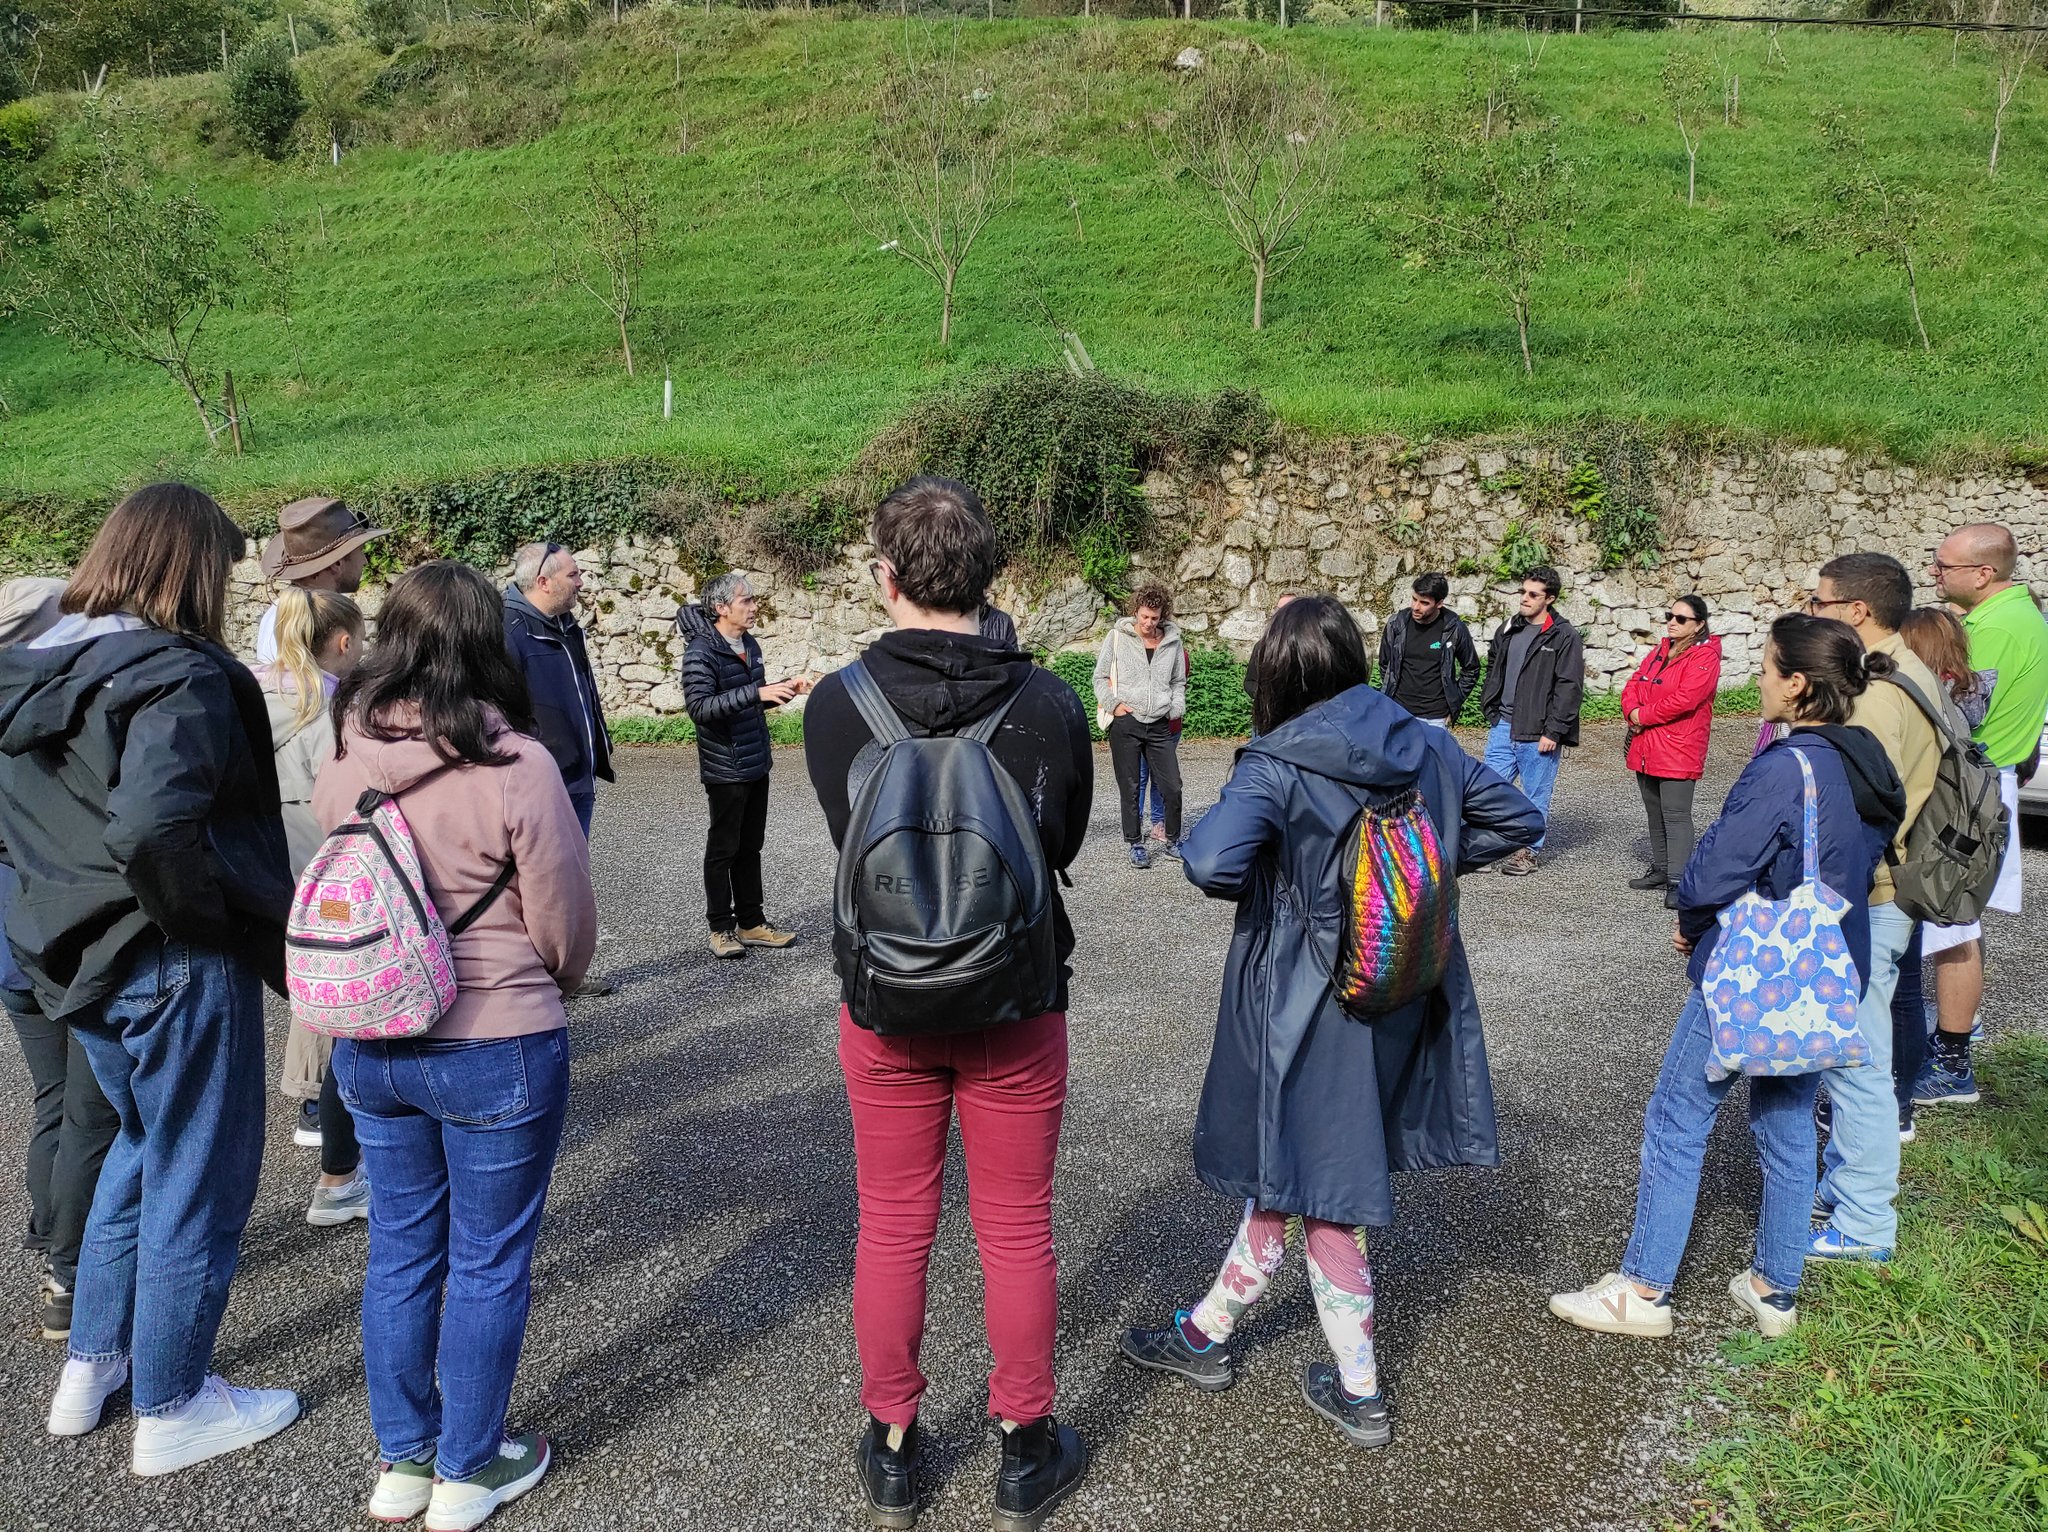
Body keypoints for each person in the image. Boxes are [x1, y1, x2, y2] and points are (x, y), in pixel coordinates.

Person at [1119, 596, 1541, 1449]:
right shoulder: (1424, 740)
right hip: (1403, 983)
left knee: (1325, 1191)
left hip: (1309, 1005)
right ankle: (1206, 1333)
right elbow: (1519, 817)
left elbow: (1208, 861)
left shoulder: (1278, 760)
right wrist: (1408, 879)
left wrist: (1310, 879)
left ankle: (1361, 1391)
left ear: (1277, 672)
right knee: (1300, 1173)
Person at [802, 476, 1093, 1532]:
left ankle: (891, 1442)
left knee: (892, 1220)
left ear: (885, 576)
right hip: (1016, 991)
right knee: (1015, 1225)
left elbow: (849, 840)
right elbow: (1056, 846)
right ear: (991, 576)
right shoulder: (1049, 700)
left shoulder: (838, 701)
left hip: (885, 996)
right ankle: (1023, 1445)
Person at [0, 484, 299, 1473]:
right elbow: (149, 827)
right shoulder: (179, 674)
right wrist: (206, 925)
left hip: (75, 964)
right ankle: (173, 1404)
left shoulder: (26, 667)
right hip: (169, 956)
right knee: (196, 1176)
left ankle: (93, 1366)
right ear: (187, 565)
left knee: (137, 1147)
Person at [315, 560, 597, 1531]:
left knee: (400, 1248)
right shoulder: (515, 766)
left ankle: (404, 1456)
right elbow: (564, 921)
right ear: (492, 645)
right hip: (498, 1037)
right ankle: (468, 1468)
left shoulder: (345, 759)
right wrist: (546, 984)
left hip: (375, 1032)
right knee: (487, 1259)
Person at [1550, 614, 1901, 1341]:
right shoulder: (1861, 756)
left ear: (1797, 684)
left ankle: (1644, 1288)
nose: (1763, 678)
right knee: (1786, 1120)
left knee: (1678, 1117)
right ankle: (1775, 1286)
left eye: (1770, 668)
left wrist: (1694, 917)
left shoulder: (1786, 764)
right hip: (1824, 968)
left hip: (1756, 969)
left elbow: (1718, 864)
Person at [1805, 553, 1940, 1263]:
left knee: (1854, 1064)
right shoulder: (1908, 672)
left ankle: (1861, 1226)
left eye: (1820, 602)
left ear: (1856, 610)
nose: (1813, 612)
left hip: (1873, 897)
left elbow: (1863, 809)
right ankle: (1844, 1196)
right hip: (1887, 892)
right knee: (1856, 1058)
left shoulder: (1882, 695)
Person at [0, 576, 117, 1344]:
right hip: (61, 940)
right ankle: (70, 1280)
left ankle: (49, 1232)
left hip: (10, 939)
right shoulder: (55, 718)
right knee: (89, 1112)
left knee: (53, 1099)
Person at [1916, 524, 2048, 1108]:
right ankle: (1953, 1033)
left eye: (1943, 566)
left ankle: (1952, 1062)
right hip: (1989, 781)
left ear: (1982, 573)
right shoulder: (2024, 618)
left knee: (1952, 924)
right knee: (1956, 922)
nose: (1934, 574)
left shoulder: (1992, 629)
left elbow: (1961, 715)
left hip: (1968, 788)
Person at [253, 586, 372, 1229]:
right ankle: (337, 1169)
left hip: (268, 873)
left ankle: (311, 1109)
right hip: (327, 875)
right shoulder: (331, 708)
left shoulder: (249, 696)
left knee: (308, 990)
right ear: (344, 642)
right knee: (345, 1007)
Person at [1890, 606, 1994, 1139]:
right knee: (1946, 946)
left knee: (1903, 980)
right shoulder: (1970, 694)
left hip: (1926, 849)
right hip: (1959, 844)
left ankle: (1920, 1083)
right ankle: (1927, 1078)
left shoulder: (1928, 700)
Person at [678, 571, 809, 961]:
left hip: (755, 762)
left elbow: (751, 701)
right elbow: (699, 709)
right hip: (725, 768)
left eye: (753, 600)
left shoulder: (748, 643)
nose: (754, 607)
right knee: (723, 849)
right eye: (746, 601)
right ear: (721, 608)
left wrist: (784, 689)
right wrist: (757, 692)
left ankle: (751, 923)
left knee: (750, 846)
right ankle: (721, 928)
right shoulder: (700, 652)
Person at [502, 542, 613, 838]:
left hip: (579, 780)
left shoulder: (565, 625)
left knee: (575, 874)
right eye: (573, 575)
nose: (581, 582)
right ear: (544, 583)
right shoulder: (508, 633)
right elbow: (500, 717)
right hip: (543, 787)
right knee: (550, 879)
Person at [1479, 566, 1584, 876]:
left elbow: (1569, 686)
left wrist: (1554, 730)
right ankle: (1486, 849)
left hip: (1538, 731)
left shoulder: (1563, 636)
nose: (1524, 598)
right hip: (1503, 725)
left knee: (1536, 795)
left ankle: (1527, 853)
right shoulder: (1509, 627)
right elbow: (1493, 667)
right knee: (1487, 791)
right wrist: (1492, 706)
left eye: (1532, 594)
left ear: (1548, 599)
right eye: (1523, 591)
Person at [1621, 594, 1722, 907]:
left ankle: (1679, 881)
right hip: (1647, 742)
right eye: (1670, 616)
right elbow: (1634, 684)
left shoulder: (1704, 658)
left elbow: (1685, 699)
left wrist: (1643, 715)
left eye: (1681, 619)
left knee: (1676, 814)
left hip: (1678, 745)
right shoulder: (1659, 651)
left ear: (1699, 624)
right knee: (1654, 810)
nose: (1672, 623)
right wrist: (1632, 711)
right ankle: (1663, 869)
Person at [1094, 583, 1187, 869]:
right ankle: (1135, 843)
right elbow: (1099, 678)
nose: (1148, 623)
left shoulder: (1172, 642)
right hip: (1127, 722)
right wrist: (1114, 705)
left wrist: (1175, 708)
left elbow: (1178, 682)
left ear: (1162, 616)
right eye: (1144, 616)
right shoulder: (1117, 637)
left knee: (1172, 786)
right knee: (1131, 787)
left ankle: (1172, 839)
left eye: (1154, 618)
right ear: (1136, 611)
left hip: (1160, 722)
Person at [254, 495, 386, 664]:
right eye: (360, 550)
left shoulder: (281, 612)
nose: (365, 561)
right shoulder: (313, 622)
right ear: (337, 564)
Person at [1376, 571, 1480, 727]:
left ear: (1439, 603)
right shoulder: (1396, 624)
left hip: (1435, 717)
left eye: (1424, 603)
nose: (1416, 607)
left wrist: (1454, 700)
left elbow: (1471, 668)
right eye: (1414, 599)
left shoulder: (1453, 628)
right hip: (1398, 711)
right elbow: (1385, 664)